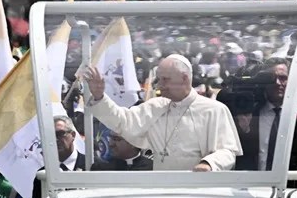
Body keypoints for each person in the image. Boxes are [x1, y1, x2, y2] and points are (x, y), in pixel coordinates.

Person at [82, 55, 242, 171]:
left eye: (165, 79)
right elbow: (123, 121)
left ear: (184, 78)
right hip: (161, 189)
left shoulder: (214, 110)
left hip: (200, 191)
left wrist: (209, 164)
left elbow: (227, 152)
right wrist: (100, 96)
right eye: (159, 80)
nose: (159, 86)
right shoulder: (156, 107)